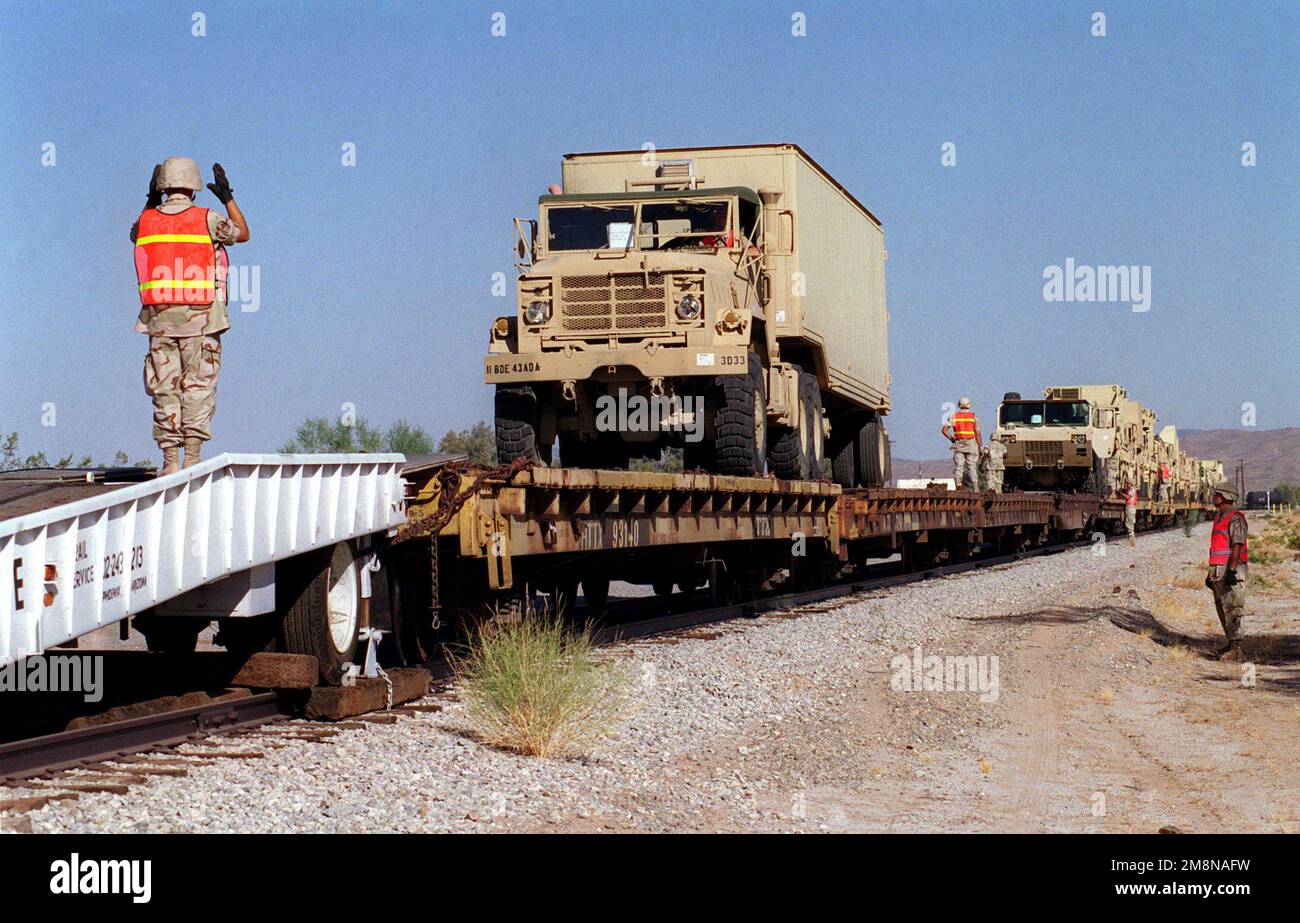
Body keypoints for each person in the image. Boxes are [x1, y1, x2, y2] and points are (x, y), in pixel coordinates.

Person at [132, 157, 249, 473]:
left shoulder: (146, 221)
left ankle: (170, 463)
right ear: (195, 188)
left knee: (165, 387)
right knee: (198, 386)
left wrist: (150, 200)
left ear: (162, 187)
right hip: (201, 319)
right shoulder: (207, 218)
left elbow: (137, 233)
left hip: (159, 320)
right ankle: (192, 460)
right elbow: (242, 234)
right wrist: (227, 198)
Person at [1205, 481, 1248, 658]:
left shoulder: (1235, 518)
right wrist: (1210, 574)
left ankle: (1236, 648)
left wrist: (1232, 570)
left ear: (1226, 498)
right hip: (1217, 570)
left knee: (1233, 607)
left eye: (1217, 494)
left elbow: (1237, 544)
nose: (1214, 497)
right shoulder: (1218, 518)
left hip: (1231, 570)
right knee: (1222, 607)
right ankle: (1231, 644)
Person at [941, 397, 981, 490]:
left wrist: (952, 439)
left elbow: (944, 430)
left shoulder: (954, 416)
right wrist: (980, 447)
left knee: (959, 466)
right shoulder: (973, 416)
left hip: (959, 444)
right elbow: (978, 434)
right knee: (972, 466)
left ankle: (958, 486)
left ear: (959, 404)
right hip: (971, 444)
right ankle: (976, 488)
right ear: (969, 405)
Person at [1123, 479, 1138, 546]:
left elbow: (1128, 497)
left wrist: (1120, 494)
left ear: (1131, 484)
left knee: (1130, 524)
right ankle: (1130, 540)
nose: (1127, 484)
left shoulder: (1132, 490)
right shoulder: (1130, 490)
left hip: (1131, 509)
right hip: (1129, 508)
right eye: (1127, 483)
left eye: (1128, 483)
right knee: (1128, 523)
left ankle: (1132, 541)